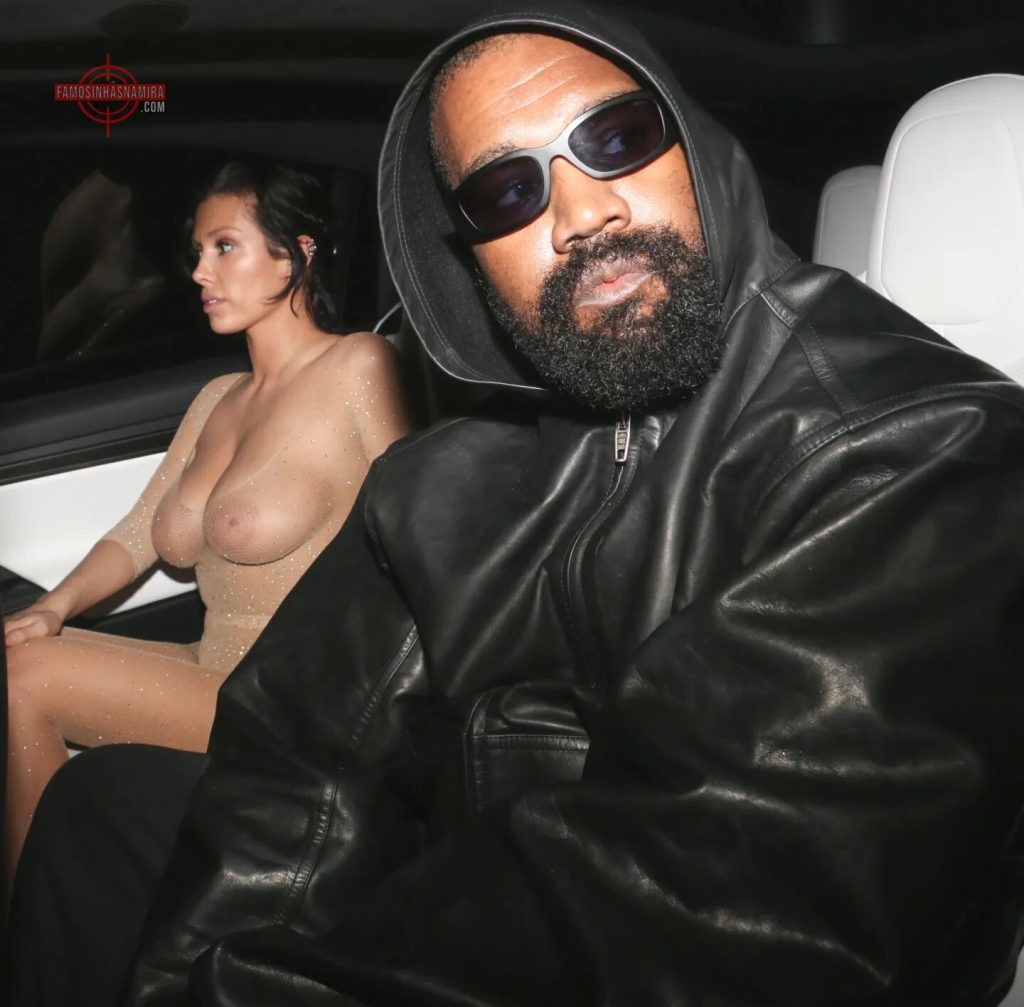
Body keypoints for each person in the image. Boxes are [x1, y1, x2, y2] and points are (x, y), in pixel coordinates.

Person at [7, 6, 1024, 1005]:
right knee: (101, 810)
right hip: (463, 859)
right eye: (507, 190)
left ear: (695, 143)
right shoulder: (440, 479)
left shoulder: (919, 446)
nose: (581, 213)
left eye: (616, 138)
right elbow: (292, 766)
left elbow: (716, 911)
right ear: (471, 258)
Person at [2, 160, 412, 886]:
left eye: (225, 246)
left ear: (296, 254)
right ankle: (75, 901)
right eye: (197, 251)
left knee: (22, 681)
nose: (198, 271)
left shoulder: (358, 366)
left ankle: (31, 922)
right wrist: (53, 607)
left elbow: (419, 523)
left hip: (293, 698)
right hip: (212, 666)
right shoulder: (218, 397)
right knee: (19, 653)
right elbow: (138, 533)